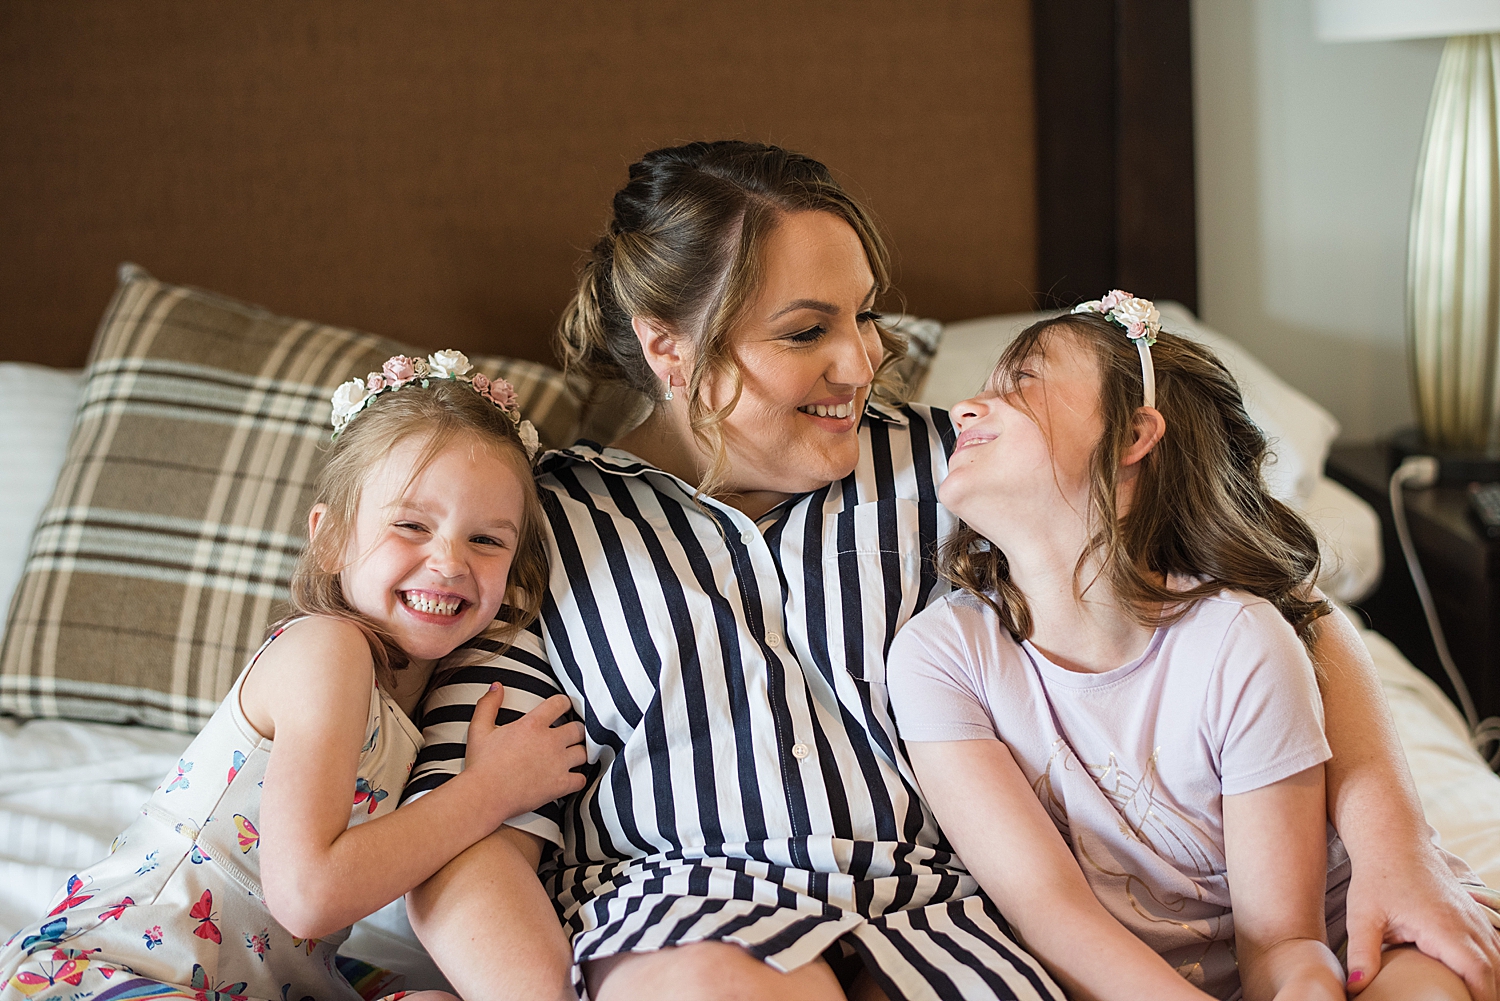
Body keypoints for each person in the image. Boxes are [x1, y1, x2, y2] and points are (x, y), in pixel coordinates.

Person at [402, 141, 1500, 1001]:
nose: (860, 361)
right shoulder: (535, 523)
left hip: (950, 916)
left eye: (867, 314)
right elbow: (461, 831)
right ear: (669, 348)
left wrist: (1396, 838)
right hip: (687, 914)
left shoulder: (960, 467)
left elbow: (1283, 604)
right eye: (805, 331)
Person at [885, 295, 1487, 1001]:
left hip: (1338, 936)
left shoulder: (1239, 642)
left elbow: (1284, 941)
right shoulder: (939, 657)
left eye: (1019, 382)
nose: (965, 407)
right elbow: (1051, 909)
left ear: (1134, 434)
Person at [0, 353, 587, 1001]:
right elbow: (309, 896)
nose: (448, 560)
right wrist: (489, 790)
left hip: (262, 980)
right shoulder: (327, 650)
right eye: (411, 525)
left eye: (487, 540)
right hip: (131, 962)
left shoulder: (432, 689)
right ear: (331, 538)